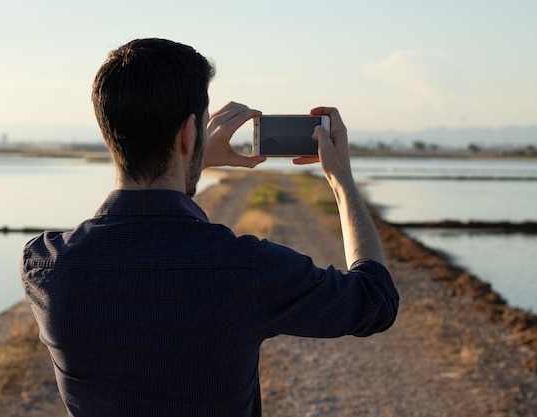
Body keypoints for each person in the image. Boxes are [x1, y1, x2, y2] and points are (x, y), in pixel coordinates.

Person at [21, 38, 399, 417]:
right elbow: (375, 300)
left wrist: (191, 162)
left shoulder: (45, 266)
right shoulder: (245, 268)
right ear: (188, 134)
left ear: (109, 132)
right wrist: (342, 181)